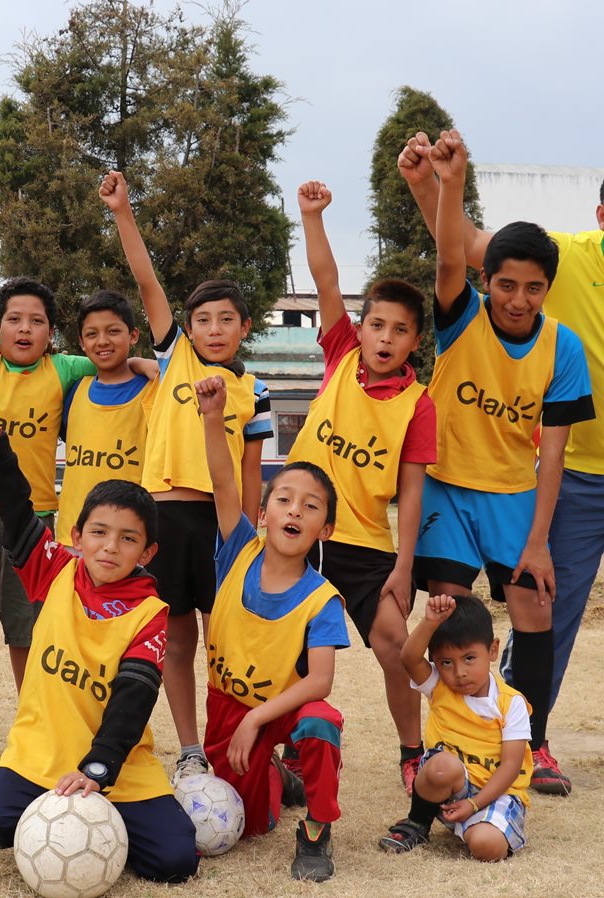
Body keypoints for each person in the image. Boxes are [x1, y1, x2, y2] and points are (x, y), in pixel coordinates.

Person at [401, 134, 604, 795]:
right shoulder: (460, 318)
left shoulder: (562, 347)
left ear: (549, 288)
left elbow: (552, 455)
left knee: (534, 612)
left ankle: (534, 742)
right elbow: (447, 256)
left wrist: (540, 542)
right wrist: (449, 181)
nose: (519, 299)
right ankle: (454, 742)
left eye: (534, 288)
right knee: (453, 620)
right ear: (487, 282)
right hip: (448, 496)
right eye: (507, 285)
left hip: (514, 497)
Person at [0, 177, 153, 759]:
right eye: (13, 319)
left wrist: (144, 363)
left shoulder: (67, 368)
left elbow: (112, 356)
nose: (24, 329)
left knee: (31, 632)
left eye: (36, 321)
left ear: (51, 334)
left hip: (37, 523)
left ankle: (38, 721)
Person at [0, 383, 198, 884]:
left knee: (176, 861)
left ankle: (105, 829)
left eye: (128, 538)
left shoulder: (150, 612)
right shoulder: (55, 569)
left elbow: (132, 700)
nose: (111, 547)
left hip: (118, 765)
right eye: (99, 532)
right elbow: (16, 507)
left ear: (147, 553)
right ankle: (63, 815)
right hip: (39, 756)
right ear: (77, 536)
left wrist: (97, 770)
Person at [100, 170, 272, 784]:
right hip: (167, 516)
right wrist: (123, 211)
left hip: (224, 528)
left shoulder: (255, 390)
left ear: (245, 328)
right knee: (175, 641)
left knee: (227, 643)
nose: (215, 329)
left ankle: (240, 741)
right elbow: (147, 280)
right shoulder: (177, 359)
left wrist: (249, 537)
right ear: (190, 329)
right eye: (204, 320)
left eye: (227, 320)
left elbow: (252, 468)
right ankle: (192, 746)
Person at [286, 180, 436, 792]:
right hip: (298, 530)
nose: (383, 338)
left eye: (398, 330)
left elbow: (412, 491)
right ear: (362, 327)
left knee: (394, 640)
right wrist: (312, 216)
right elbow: (324, 280)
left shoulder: (417, 404)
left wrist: (404, 567)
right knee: (286, 645)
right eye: (376, 324)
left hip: (365, 542)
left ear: (413, 343)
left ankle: (412, 750)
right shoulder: (341, 354)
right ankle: (292, 751)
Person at [196, 375, 347, 882]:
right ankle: (280, 775)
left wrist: (257, 718)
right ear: (262, 513)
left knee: (322, 719)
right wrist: (213, 419)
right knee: (251, 824)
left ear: (324, 529)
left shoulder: (322, 600)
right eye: (284, 499)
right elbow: (222, 480)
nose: (295, 510)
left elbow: (319, 681)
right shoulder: (239, 548)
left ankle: (317, 831)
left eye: (311, 506)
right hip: (227, 706)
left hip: (278, 710)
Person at [379, 594, 531, 861]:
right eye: (446, 663)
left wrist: (474, 804)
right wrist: (429, 622)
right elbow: (409, 658)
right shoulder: (439, 686)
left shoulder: (511, 704)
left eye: (469, 658)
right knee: (440, 766)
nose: (459, 672)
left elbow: (510, 768)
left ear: (493, 650)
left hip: (496, 793)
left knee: (487, 848)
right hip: (450, 785)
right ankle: (417, 822)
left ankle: (475, 825)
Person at [56, 290, 158, 548]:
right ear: (81, 342)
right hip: (73, 538)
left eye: (113, 331)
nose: (102, 341)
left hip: (127, 540)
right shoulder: (75, 391)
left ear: (133, 335)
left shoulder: (155, 391)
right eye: (92, 334)